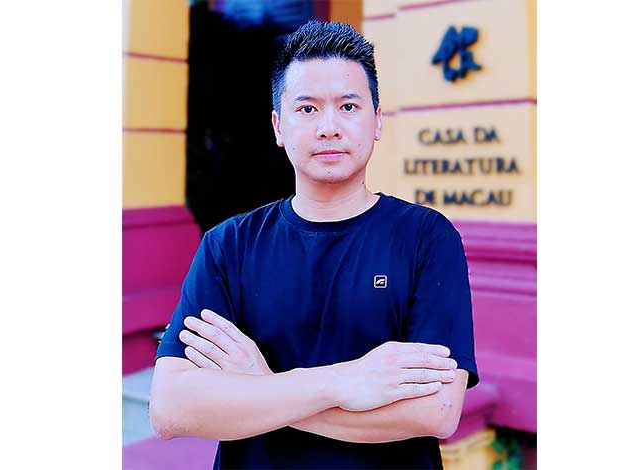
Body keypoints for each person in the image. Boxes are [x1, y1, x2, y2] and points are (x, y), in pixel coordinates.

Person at [149, 20, 479, 469]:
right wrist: (343, 382)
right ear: (278, 126)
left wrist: (262, 385)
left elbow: (435, 411)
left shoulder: (426, 238)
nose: (328, 127)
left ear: (377, 121)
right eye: (307, 109)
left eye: (348, 106)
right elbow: (172, 407)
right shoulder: (228, 246)